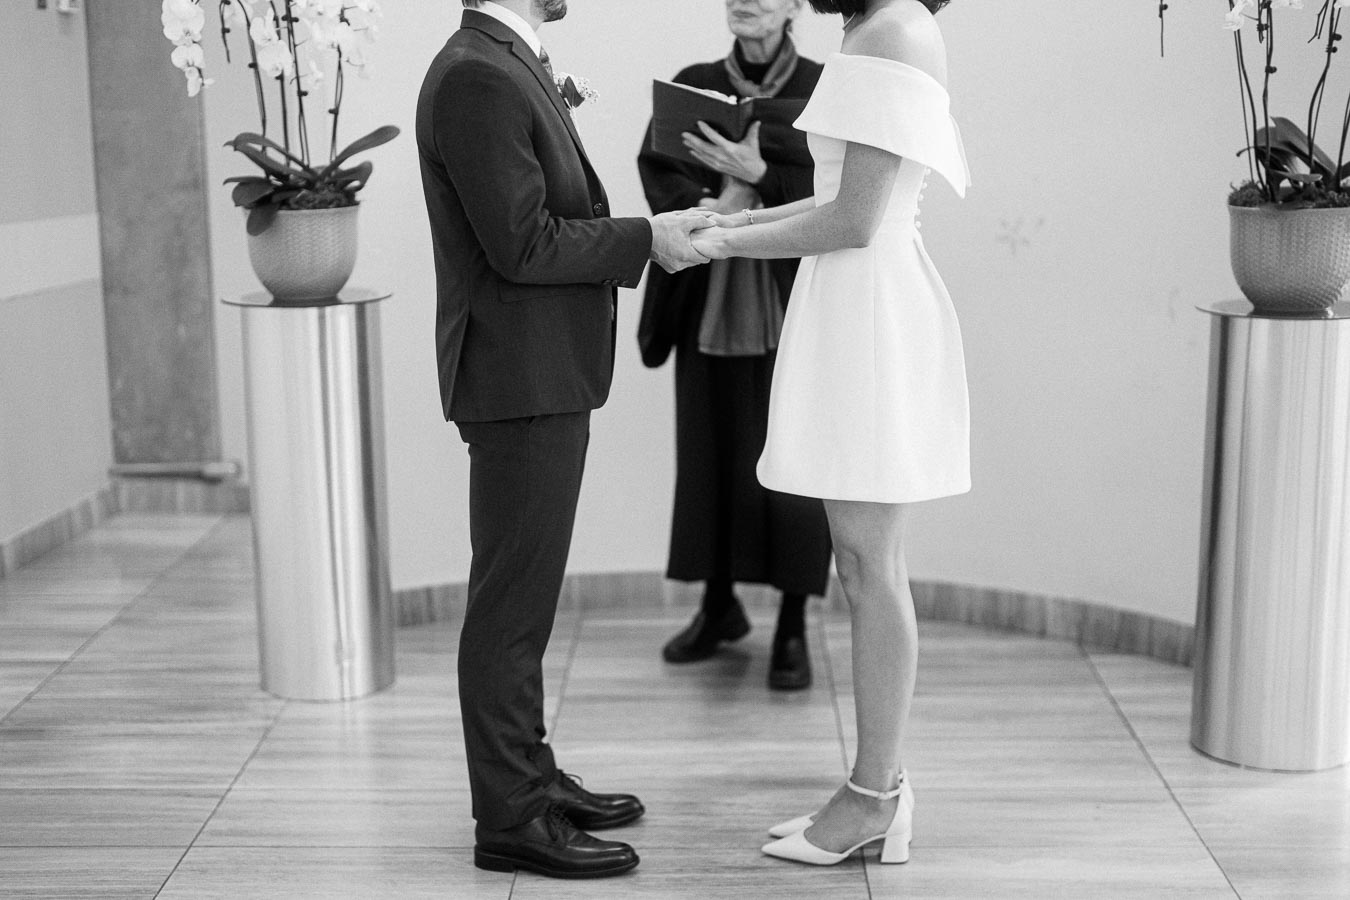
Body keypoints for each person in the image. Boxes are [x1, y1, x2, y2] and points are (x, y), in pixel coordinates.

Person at [415, 0, 710, 880]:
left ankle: (530, 781)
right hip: (519, 377)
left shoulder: (503, 59)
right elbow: (522, 243)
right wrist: (647, 240)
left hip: (536, 372)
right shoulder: (476, 73)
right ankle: (509, 816)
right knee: (510, 607)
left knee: (524, 602)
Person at [690, 0, 967, 866]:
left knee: (868, 565)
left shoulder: (893, 30)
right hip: (850, 302)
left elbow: (853, 219)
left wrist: (725, 244)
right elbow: (832, 204)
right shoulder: (869, 27)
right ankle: (874, 787)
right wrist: (729, 225)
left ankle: (875, 796)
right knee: (859, 562)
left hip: (874, 310)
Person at [637, 0, 831, 691]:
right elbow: (660, 174)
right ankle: (719, 609)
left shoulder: (824, 86)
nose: (744, 1)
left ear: (795, 7)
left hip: (791, 301)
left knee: (795, 463)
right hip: (704, 299)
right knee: (711, 453)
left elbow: (841, 191)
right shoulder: (693, 84)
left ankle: (791, 626)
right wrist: (722, 192)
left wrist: (761, 175)